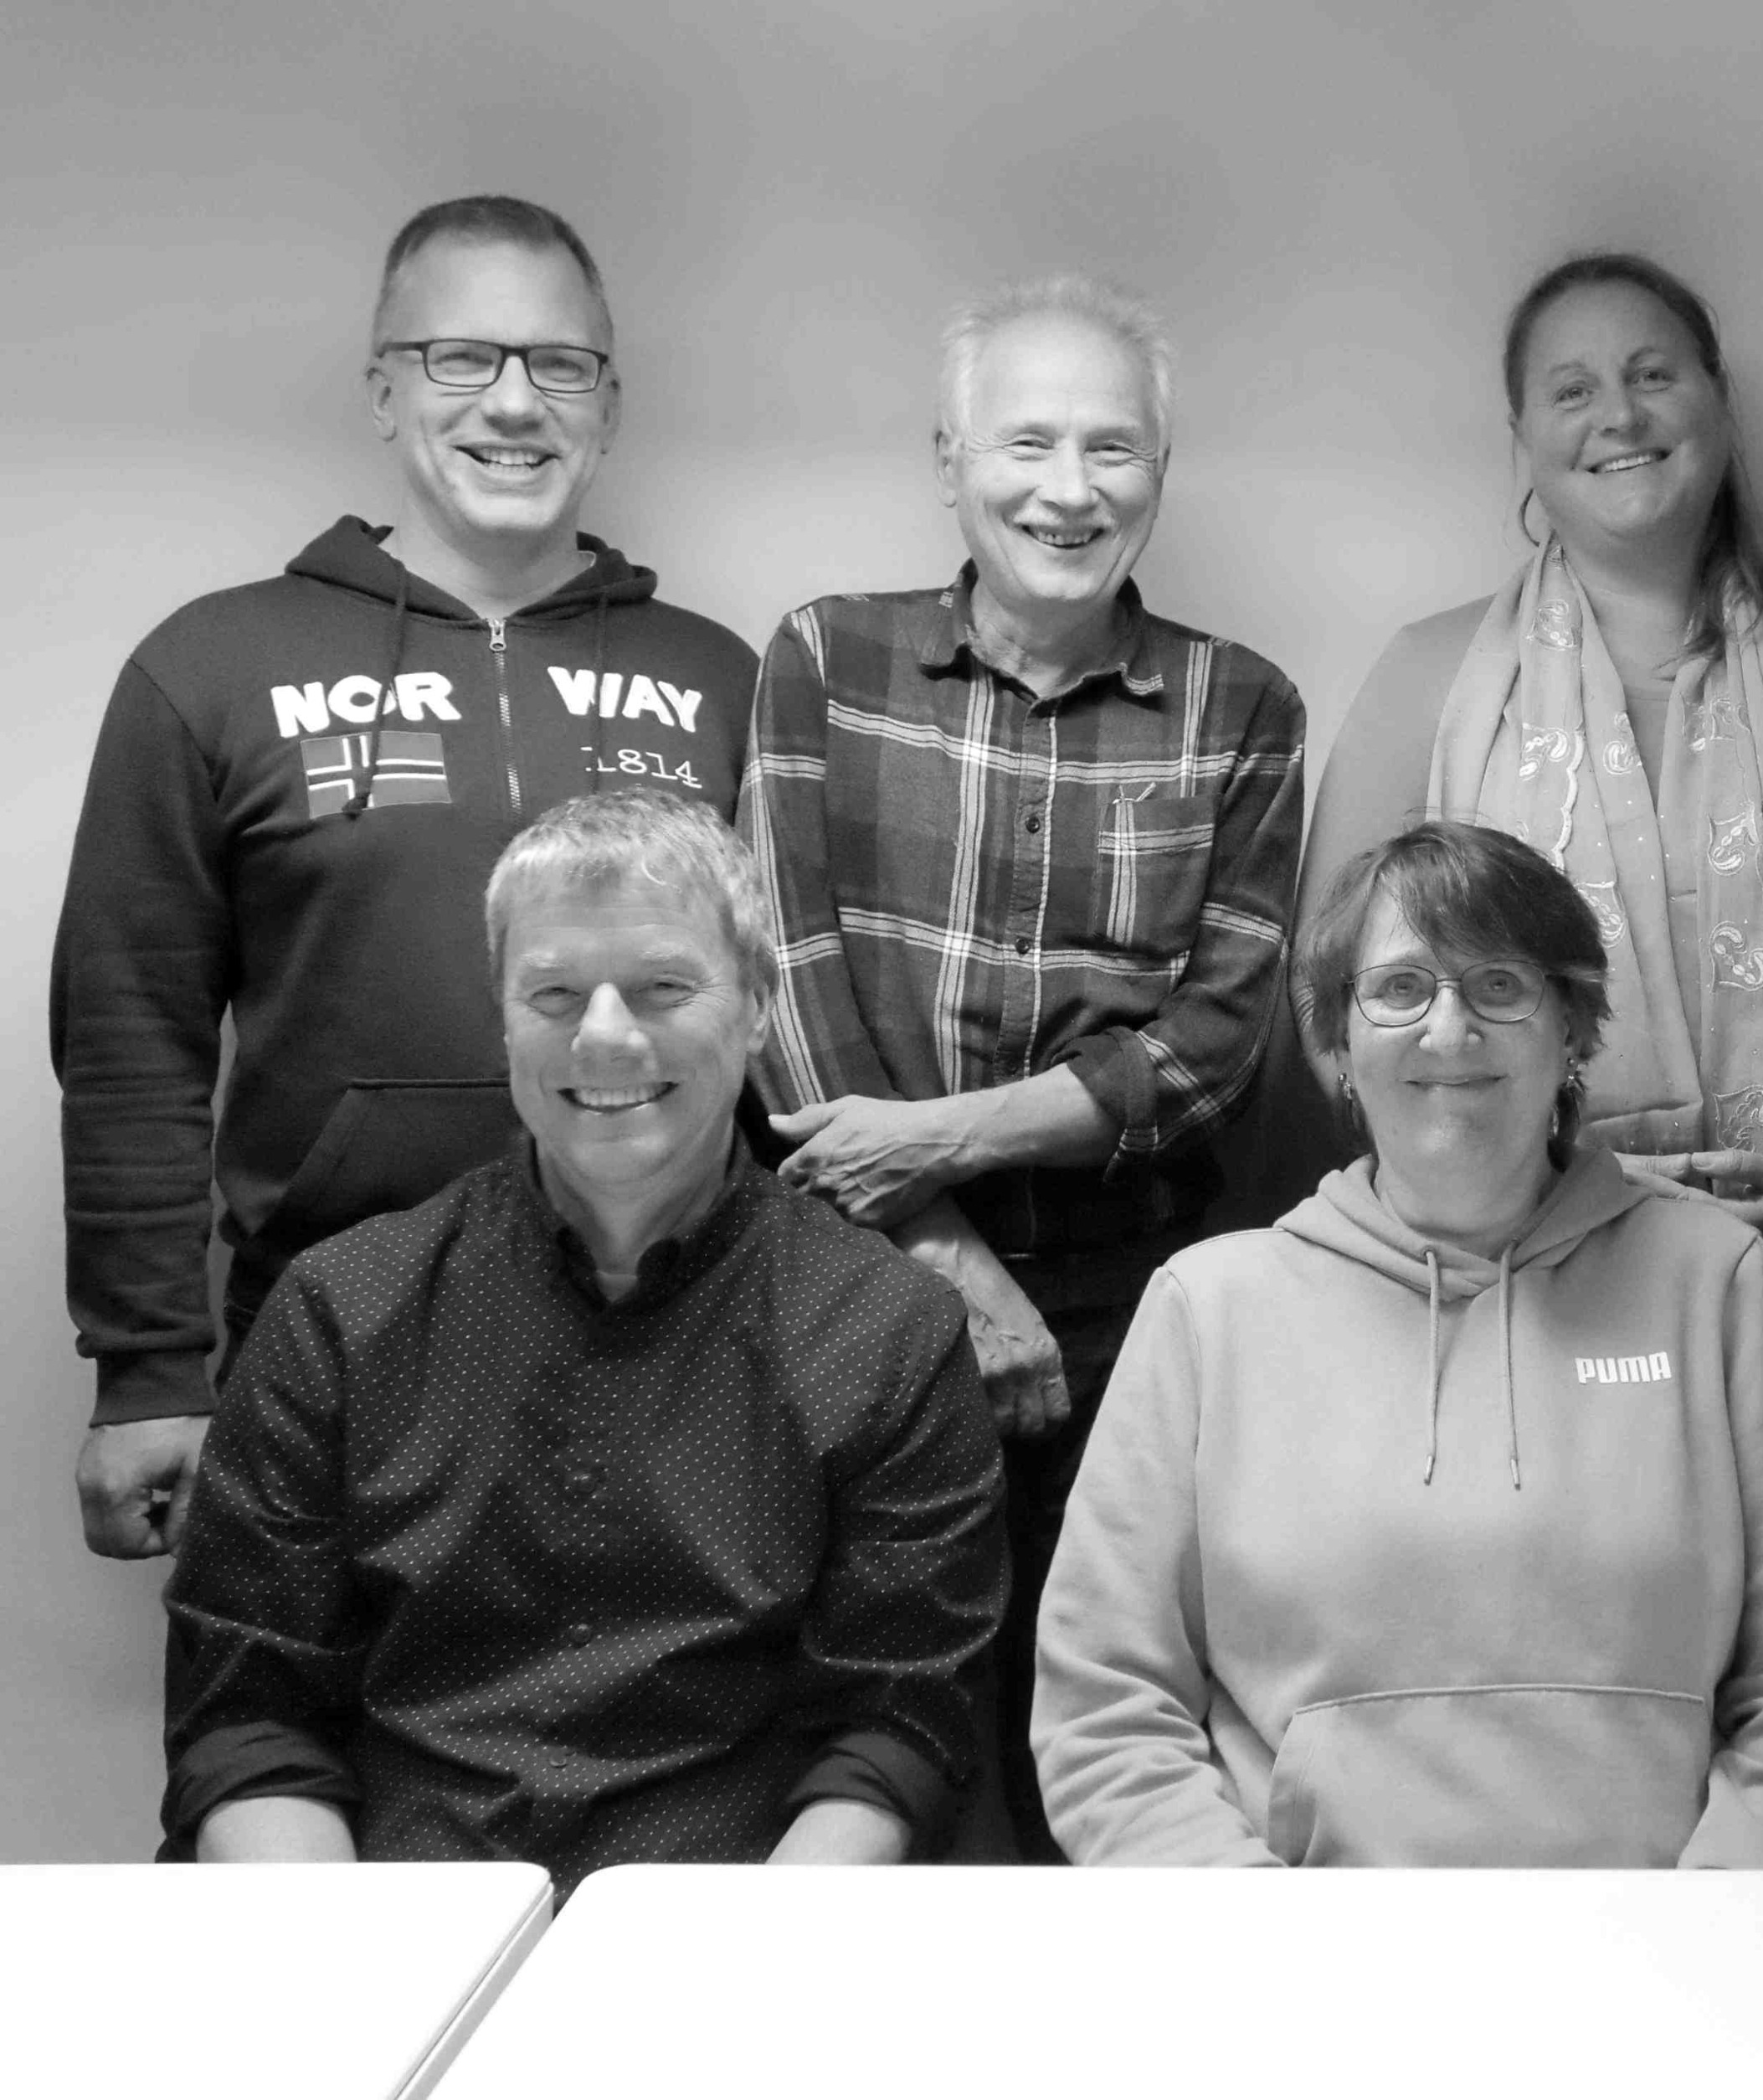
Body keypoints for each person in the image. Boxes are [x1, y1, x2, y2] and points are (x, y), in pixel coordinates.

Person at [54, 194, 755, 1563]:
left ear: (609, 405)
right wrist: (147, 1371)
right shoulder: (214, 667)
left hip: (678, 1342)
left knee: (675, 1703)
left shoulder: (721, 679)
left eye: (559, 364)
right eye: (461, 357)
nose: (515, 402)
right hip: (329, 1342)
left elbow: (783, 1022)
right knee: (301, 1700)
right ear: (383, 389)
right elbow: (130, 1034)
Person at [160, 790, 1004, 1881]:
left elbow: (899, 1730)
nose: (605, 1035)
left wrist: (742, 1961)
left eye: (663, 988)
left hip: (740, 1913)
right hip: (392, 1906)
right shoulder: (340, 1310)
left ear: (757, 1007)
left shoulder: (888, 1331)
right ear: (504, 1017)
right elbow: (248, 1716)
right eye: (554, 993)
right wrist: (353, 1956)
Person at [1036, 821, 1763, 1866]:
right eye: (1400, 990)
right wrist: (1263, 1942)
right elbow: (1106, 1708)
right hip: (1303, 1948)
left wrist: (1717, 1929)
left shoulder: (1714, 1282)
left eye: (1499, 986)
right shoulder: (1208, 1310)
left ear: (1572, 1028)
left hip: (1670, 1946)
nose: (1449, 1031)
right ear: (1338, 1044)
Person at [1286, 252, 1763, 1480]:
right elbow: (1327, 1006)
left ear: (1718, 401)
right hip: (1509, 1290)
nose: (1618, 416)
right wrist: (1497, 1182)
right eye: (1571, 390)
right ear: (1521, 438)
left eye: (1652, 375)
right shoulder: (1426, 683)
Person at [739, 275, 1307, 1860]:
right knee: (859, 1736)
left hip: (1132, 1315)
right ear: (950, 461)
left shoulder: (1242, 704)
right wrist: (939, 1249)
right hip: (846, 1288)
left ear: (1160, 473)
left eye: (1112, 448)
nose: (1071, 489)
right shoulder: (823, 657)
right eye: (1028, 443)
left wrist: (935, 1146)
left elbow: (1212, 1048)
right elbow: (781, 982)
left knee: (1098, 1738)